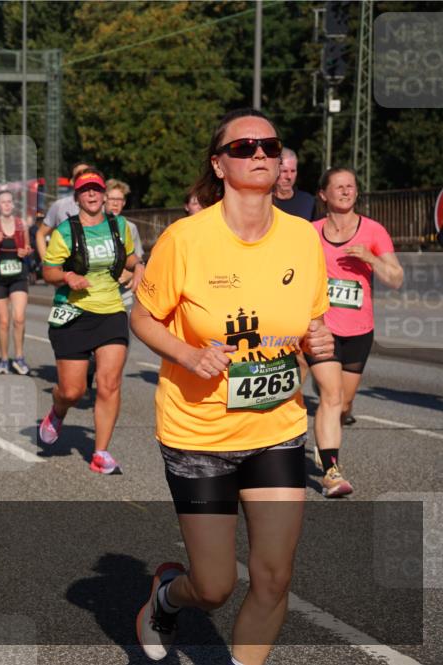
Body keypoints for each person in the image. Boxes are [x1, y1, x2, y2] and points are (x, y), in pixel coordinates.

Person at [130, 108, 334, 664]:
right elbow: (144, 317)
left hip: (277, 428)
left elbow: (313, 322)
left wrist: (319, 342)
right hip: (198, 433)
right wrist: (187, 353)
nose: (260, 154)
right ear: (220, 165)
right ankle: (168, 597)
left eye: (269, 145)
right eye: (244, 148)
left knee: (273, 578)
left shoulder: (302, 239)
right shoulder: (185, 240)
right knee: (215, 586)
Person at [306, 167, 404, 497]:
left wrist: (371, 258)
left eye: (351, 187)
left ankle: (329, 431)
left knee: (344, 402)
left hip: (360, 330)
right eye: (339, 187)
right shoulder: (310, 233)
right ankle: (332, 472)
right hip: (321, 329)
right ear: (324, 194)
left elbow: (396, 278)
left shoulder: (373, 231)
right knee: (330, 397)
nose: (347, 191)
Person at [38, 169, 142, 475]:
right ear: (77, 197)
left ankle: (100, 452)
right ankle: (58, 410)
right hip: (73, 314)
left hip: (111, 310)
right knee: (73, 391)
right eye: (86, 191)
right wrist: (68, 276)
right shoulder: (65, 232)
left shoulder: (118, 225)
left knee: (109, 384)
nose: (93, 195)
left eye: (97, 189)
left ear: (104, 194)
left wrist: (139, 267)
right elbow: (49, 272)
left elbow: (130, 258)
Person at [0, 190, 31, 375]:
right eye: (3, 202)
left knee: (19, 318)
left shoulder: (21, 224)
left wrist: (25, 251)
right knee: (4, 321)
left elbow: (27, 247)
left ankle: (19, 357)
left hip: (18, 275)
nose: (7, 205)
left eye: (10, 201)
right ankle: (4, 359)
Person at [35, 161, 93, 261]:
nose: (83, 178)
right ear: (72, 181)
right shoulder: (60, 206)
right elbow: (40, 234)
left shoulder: (99, 204)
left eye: (87, 174)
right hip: (66, 268)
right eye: (79, 175)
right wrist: (47, 263)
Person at [103, 179, 145, 309]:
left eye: (120, 199)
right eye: (112, 199)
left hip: (123, 291)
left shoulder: (130, 227)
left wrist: (131, 274)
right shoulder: (93, 224)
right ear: (104, 199)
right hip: (100, 291)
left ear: (124, 203)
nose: (115, 203)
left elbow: (138, 259)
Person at [272, 147, 316, 221]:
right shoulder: (264, 202)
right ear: (274, 171)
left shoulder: (308, 202)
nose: (289, 177)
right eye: (284, 171)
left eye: (293, 171)